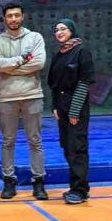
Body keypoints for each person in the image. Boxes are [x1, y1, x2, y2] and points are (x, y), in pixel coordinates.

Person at [0, 2, 48, 200]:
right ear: (4, 19)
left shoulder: (35, 37)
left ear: (22, 16)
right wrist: (23, 60)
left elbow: (39, 62)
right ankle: (9, 181)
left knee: (35, 140)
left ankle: (38, 182)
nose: (13, 19)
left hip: (32, 95)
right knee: (8, 141)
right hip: (7, 97)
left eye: (16, 15)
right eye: (10, 16)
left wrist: (11, 69)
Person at [47, 19, 95, 205]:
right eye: (56, 30)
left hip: (76, 104)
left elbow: (84, 82)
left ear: (72, 31)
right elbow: (53, 84)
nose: (59, 32)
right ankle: (77, 185)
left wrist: (74, 112)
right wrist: (55, 106)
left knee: (77, 147)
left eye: (63, 29)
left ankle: (79, 190)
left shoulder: (82, 51)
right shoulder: (58, 54)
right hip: (61, 105)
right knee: (67, 146)